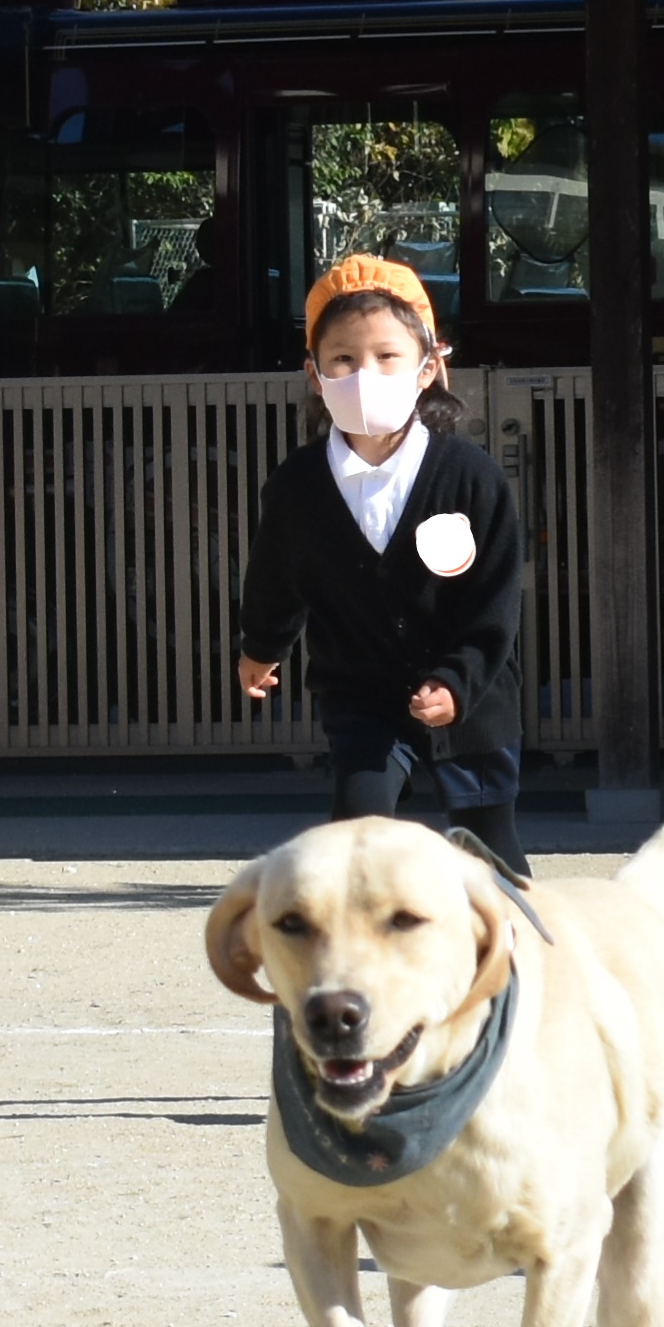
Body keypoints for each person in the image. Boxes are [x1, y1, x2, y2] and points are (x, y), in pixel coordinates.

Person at [229, 253, 529, 886]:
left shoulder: (470, 476)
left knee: (490, 855)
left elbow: (494, 603)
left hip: (474, 705)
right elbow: (275, 574)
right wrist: (262, 645)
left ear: (427, 367)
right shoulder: (297, 485)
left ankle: (518, 967)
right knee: (355, 837)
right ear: (314, 374)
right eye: (343, 359)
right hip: (360, 693)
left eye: (387, 356)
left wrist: (458, 680)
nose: (364, 373)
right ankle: (357, 971)